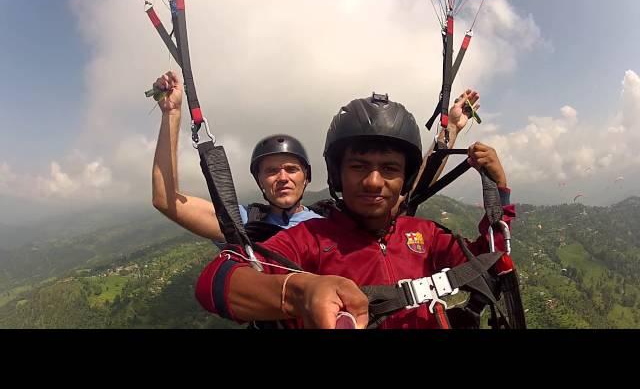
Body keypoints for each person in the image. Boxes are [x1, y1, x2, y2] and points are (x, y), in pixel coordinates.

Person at [195, 93, 515, 329]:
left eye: (389, 168)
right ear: (337, 174)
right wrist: (299, 292)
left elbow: (491, 263)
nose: (374, 181)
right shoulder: (310, 239)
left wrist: (499, 195)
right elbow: (216, 281)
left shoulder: (424, 235)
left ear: (404, 179)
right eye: (358, 166)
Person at [151, 70, 322, 243]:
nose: (283, 178)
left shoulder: (329, 228)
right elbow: (166, 200)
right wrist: (171, 113)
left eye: (291, 169)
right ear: (260, 180)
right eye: (271, 171)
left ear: (306, 177)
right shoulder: (240, 222)